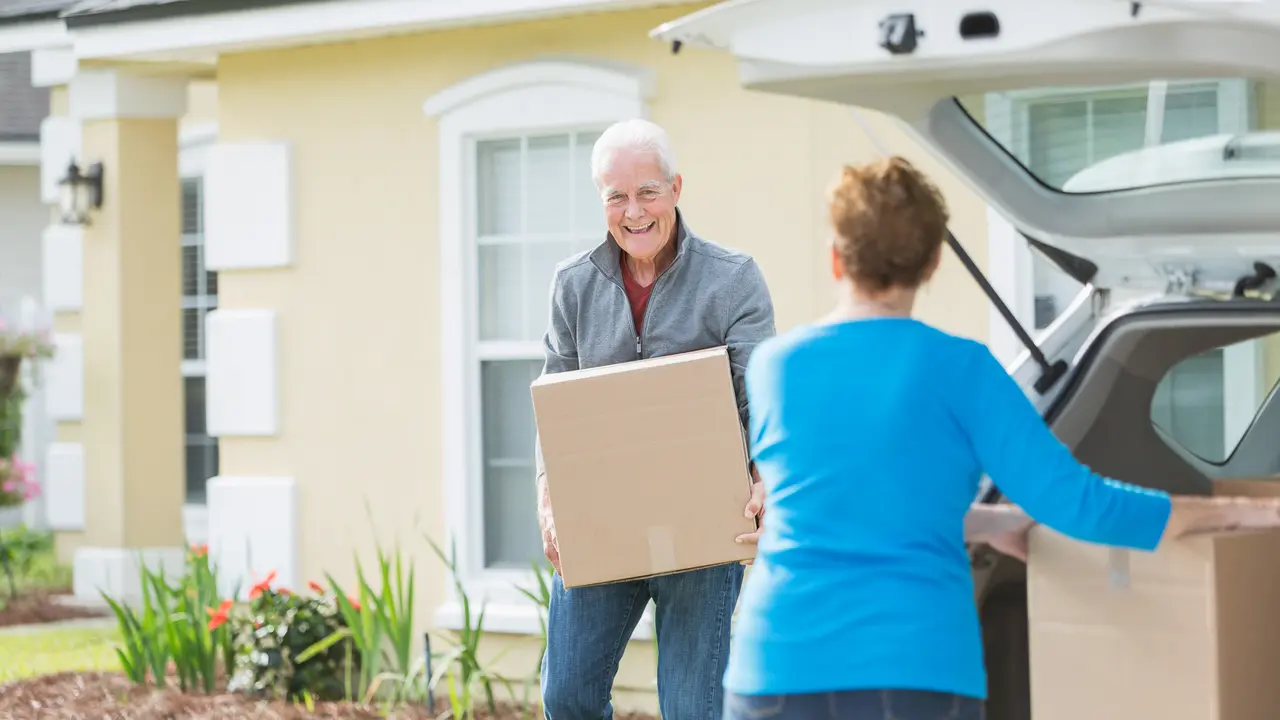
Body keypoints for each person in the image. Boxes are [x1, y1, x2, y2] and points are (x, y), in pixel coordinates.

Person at [722, 156, 1230, 720]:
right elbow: (1080, 505)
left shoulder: (773, 367)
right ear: (934, 263)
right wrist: (1236, 514)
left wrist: (992, 523)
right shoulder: (961, 368)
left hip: (777, 670)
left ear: (836, 260)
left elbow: (845, 504)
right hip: (914, 673)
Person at [535, 118, 775, 720]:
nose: (633, 211)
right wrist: (547, 496)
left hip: (703, 526)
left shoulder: (733, 279)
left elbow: (766, 401)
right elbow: (554, 403)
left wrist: (766, 476)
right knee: (566, 697)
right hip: (602, 519)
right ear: (601, 200)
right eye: (617, 195)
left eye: (648, 191)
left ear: (676, 188)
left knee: (694, 709)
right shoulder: (572, 286)